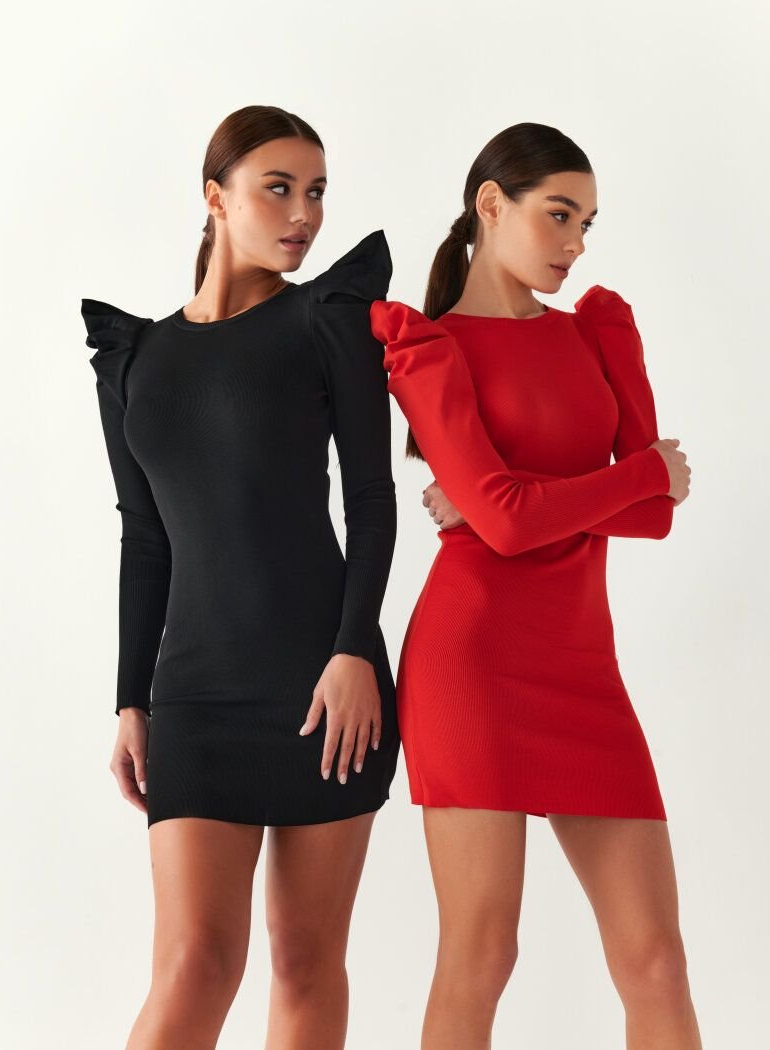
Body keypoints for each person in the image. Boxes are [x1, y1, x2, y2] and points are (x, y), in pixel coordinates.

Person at [369, 122, 701, 1049]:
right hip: (472, 665)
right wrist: (636, 473)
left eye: (587, 223)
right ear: (491, 205)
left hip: (583, 667)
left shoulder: (596, 331)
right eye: (559, 215)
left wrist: (511, 501)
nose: (576, 243)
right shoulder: (431, 347)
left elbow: (652, 517)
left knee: (656, 962)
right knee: (482, 955)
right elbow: (550, 514)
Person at [81, 105, 399, 1050]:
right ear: (215, 197)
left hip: (326, 685)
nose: (305, 214)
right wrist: (130, 700)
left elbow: (371, 499)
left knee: (305, 962)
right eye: (279, 188)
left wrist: (353, 652)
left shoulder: (326, 322)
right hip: (196, 699)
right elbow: (146, 540)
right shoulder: (136, 358)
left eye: (318, 192)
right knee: (193, 967)